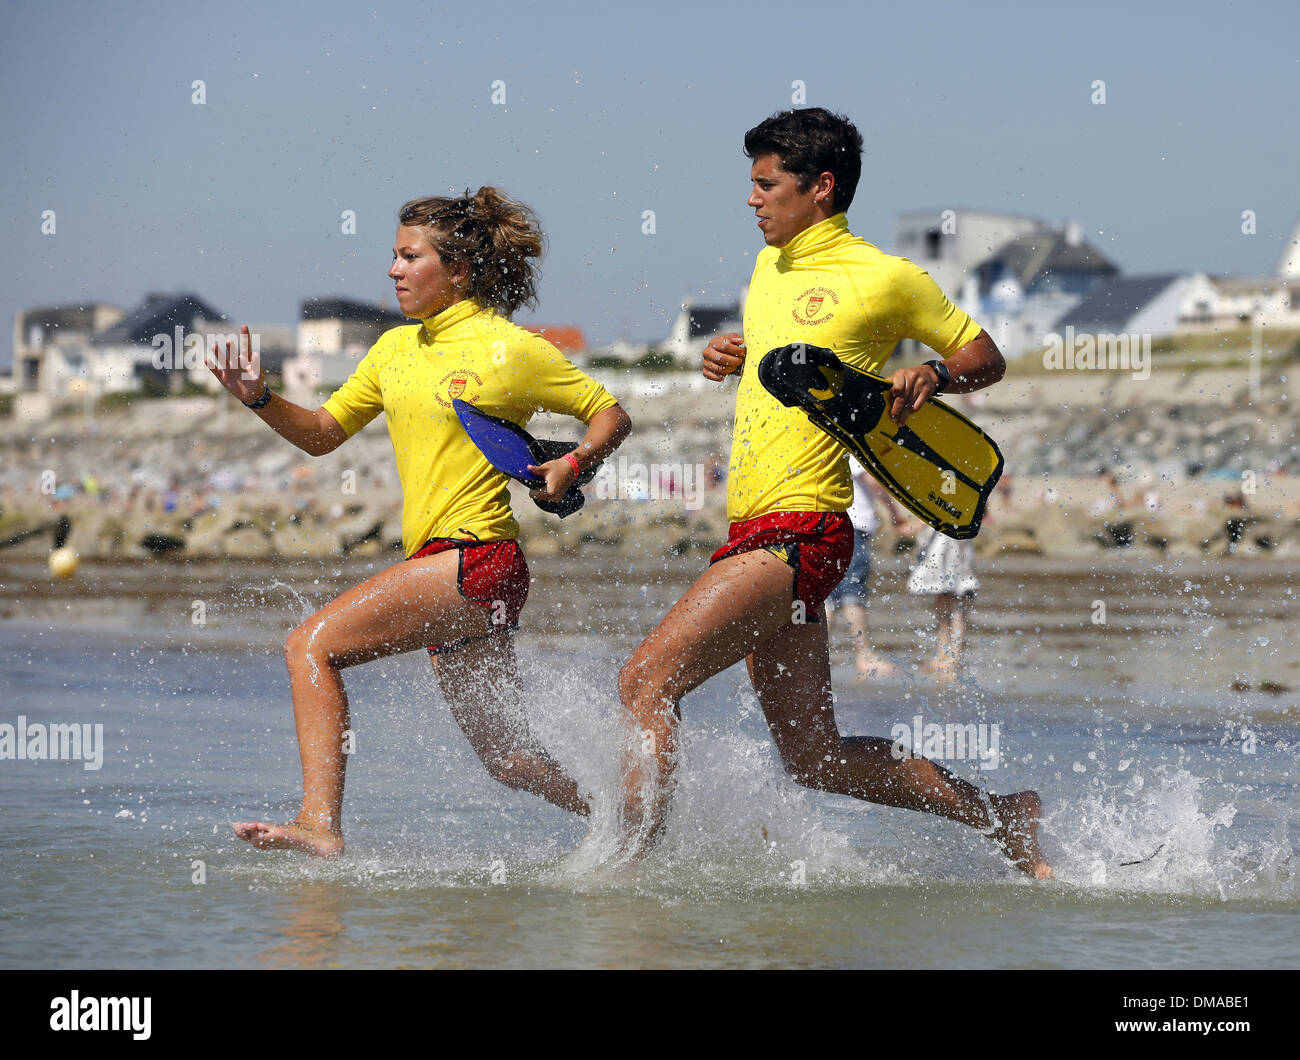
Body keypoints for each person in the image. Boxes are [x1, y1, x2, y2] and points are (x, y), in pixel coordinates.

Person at [618, 108, 1052, 878]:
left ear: (820, 188)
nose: (751, 200)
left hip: (806, 528)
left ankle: (627, 870)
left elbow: (985, 353)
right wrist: (735, 353)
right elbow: (796, 361)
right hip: (752, 526)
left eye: (765, 184)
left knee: (645, 680)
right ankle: (1003, 817)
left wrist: (935, 373)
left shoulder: (885, 277)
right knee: (814, 757)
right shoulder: (767, 268)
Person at [209, 187, 632, 857]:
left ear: (457, 271)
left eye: (410, 257)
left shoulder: (508, 349)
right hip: (453, 570)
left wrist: (574, 464)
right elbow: (322, 433)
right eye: (394, 256)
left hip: (476, 559)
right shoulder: (392, 351)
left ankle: (320, 826)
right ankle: (624, 819)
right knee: (510, 761)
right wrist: (260, 397)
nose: (393, 270)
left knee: (310, 646)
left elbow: (609, 413)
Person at [823, 456, 910, 678]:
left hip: (833, 525)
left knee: (831, 595)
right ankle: (864, 656)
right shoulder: (853, 447)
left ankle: (817, 656)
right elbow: (872, 480)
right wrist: (894, 512)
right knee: (853, 590)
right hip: (853, 528)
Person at [908, 524, 977, 683]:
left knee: (958, 596)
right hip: (939, 537)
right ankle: (941, 653)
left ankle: (954, 657)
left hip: (957, 536)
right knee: (941, 594)